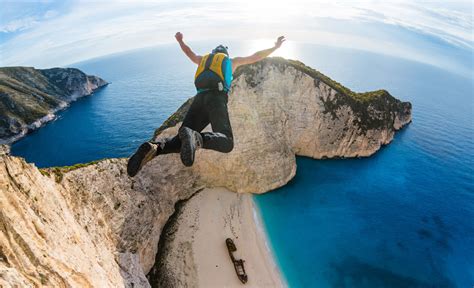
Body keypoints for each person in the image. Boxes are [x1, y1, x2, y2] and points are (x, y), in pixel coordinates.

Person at [127, 32, 286, 177]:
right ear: (224, 53)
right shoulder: (231, 61)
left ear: (213, 53)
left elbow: (188, 52)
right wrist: (275, 46)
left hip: (199, 99)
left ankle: (154, 148)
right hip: (216, 99)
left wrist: (180, 40)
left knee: (178, 143)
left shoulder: (202, 60)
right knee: (227, 142)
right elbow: (256, 56)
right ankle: (196, 138)